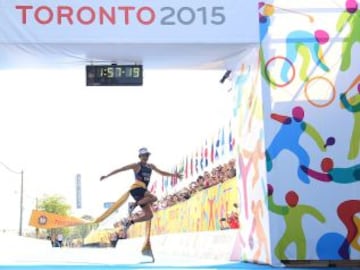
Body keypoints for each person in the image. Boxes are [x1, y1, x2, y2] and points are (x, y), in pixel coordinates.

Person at [100, 147, 182, 231]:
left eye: (147, 155)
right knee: (154, 198)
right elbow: (121, 169)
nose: (146, 157)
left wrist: (174, 175)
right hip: (136, 188)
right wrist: (107, 175)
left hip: (142, 192)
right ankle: (134, 205)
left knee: (149, 215)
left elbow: (162, 172)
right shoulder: (136, 165)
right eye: (144, 155)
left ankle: (130, 222)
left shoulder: (151, 166)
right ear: (140, 156)